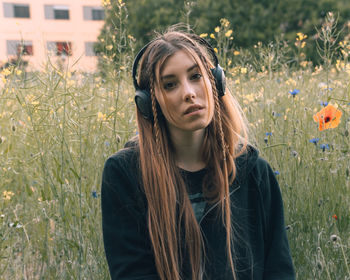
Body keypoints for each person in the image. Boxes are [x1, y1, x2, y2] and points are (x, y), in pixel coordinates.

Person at [101, 27, 295, 280]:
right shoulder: (125, 174)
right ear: (149, 101)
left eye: (195, 76)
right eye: (170, 84)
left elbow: (279, 271)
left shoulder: (254, 171)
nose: (188, 92)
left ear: (216, 82)